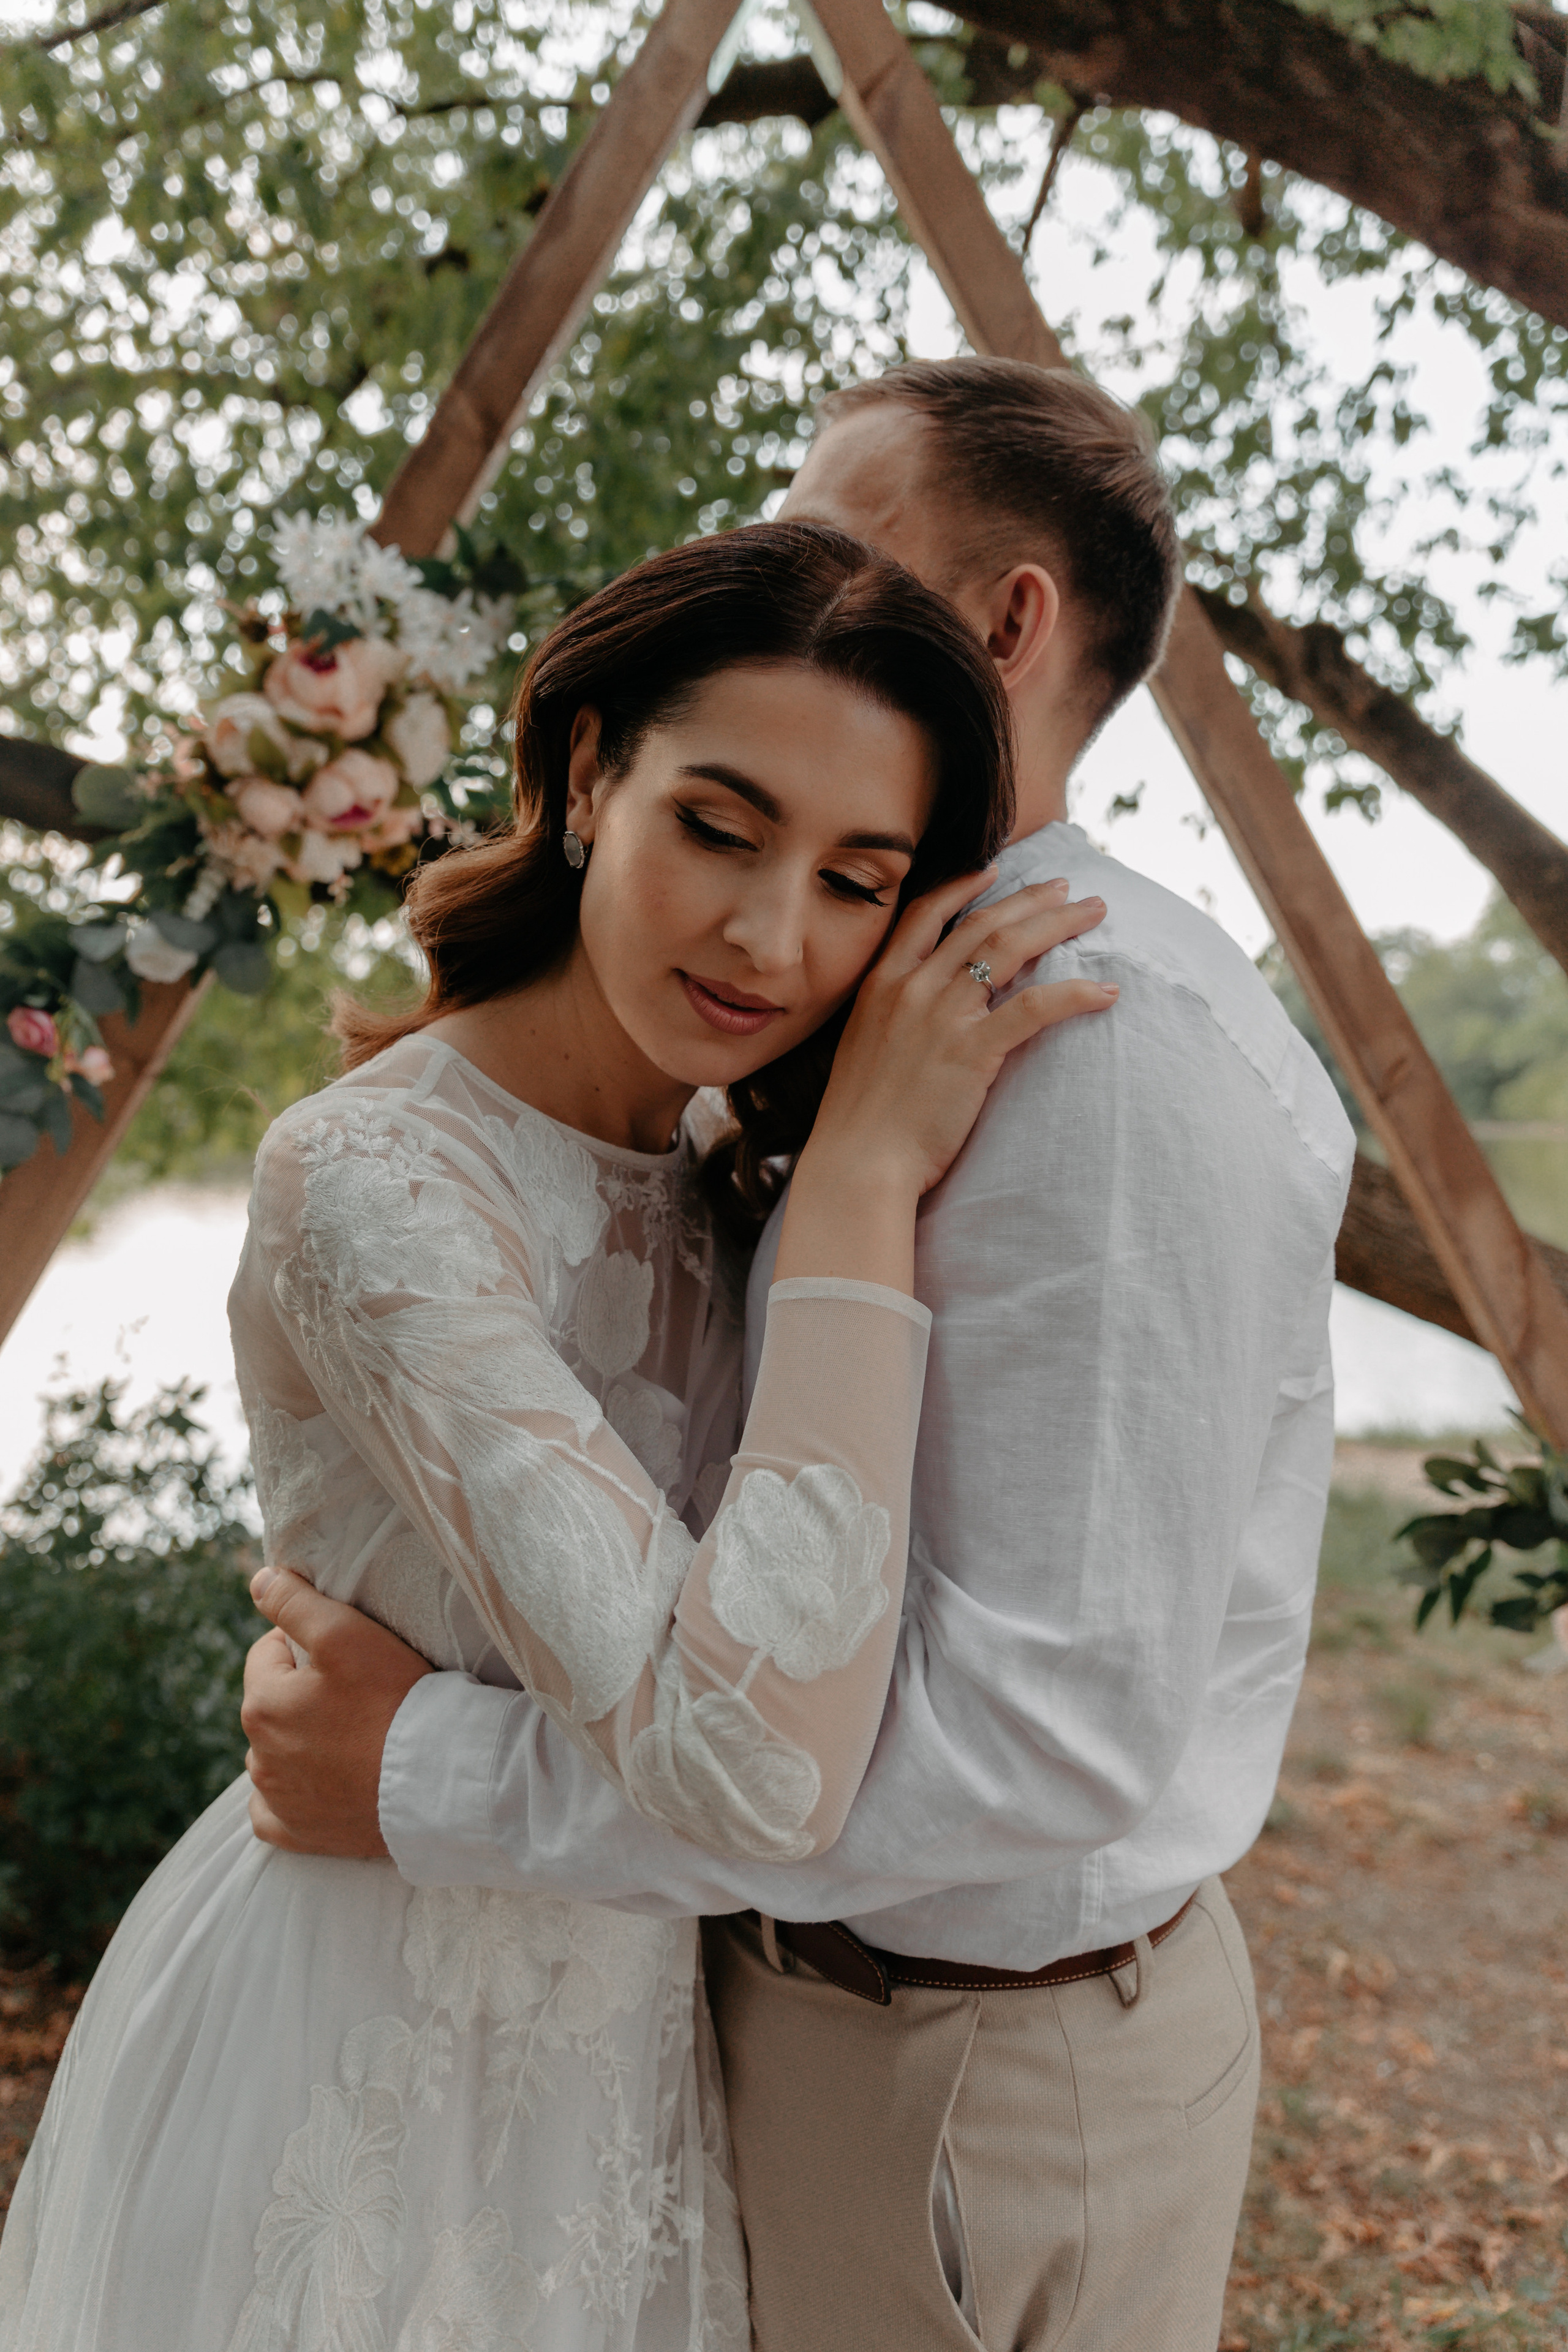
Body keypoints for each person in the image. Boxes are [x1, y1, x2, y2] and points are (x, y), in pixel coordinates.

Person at [239, 361, 1358, 2352]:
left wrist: (428, 1771)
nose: (765, 571)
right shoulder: (837, 1028)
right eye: (727, 827)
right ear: (592, 782)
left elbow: (1044, 1741)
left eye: (824, 533)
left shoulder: (1082, 1047)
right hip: (718, 2018)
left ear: (999, 623)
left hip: (967, 2072)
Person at [0, 519, 1118, 2352]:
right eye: (721, 827)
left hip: (624, 2066)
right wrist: (859, 1186)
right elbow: (752, 1773)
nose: (773, 938)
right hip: (351, 2059)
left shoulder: (708, 1171)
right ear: (590, 774)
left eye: (859, 879)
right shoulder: (376, 1181)